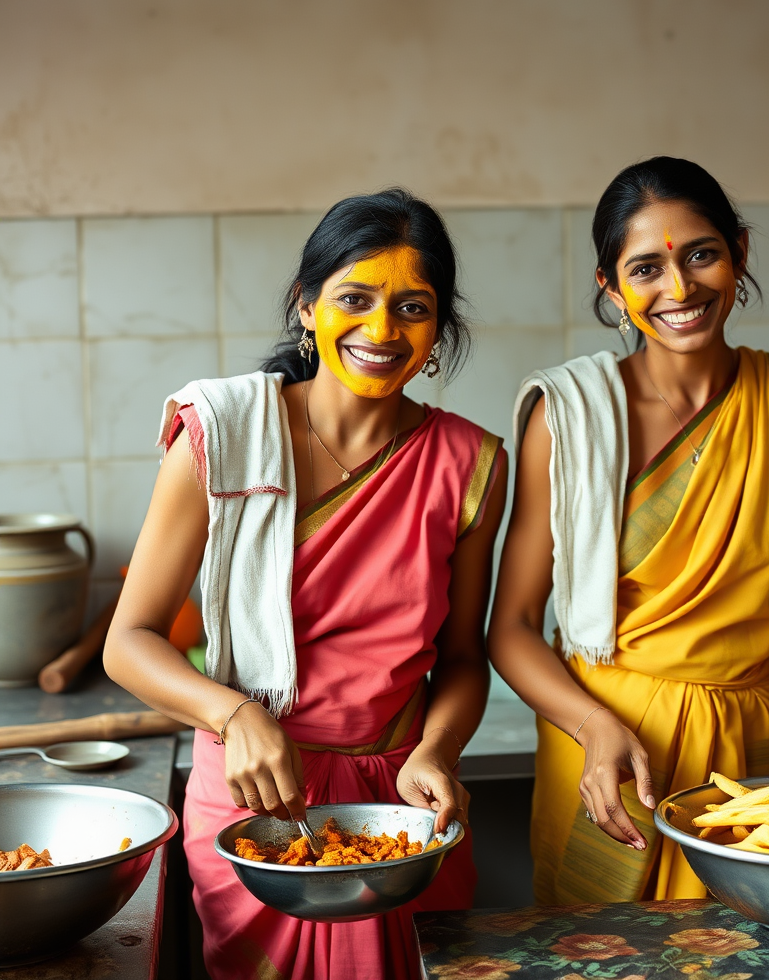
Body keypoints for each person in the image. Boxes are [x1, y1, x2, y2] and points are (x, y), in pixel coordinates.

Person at [104, 188, 507, 979]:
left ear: (437, 332)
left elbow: (462, 659)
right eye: (354, 299)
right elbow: (130, 640)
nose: (382, 330)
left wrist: (438, 753)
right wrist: (234, 712)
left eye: (412, 308)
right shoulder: (219, 436)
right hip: (256, 804)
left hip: (404, 813)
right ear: (307, 306)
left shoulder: (470, 464)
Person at [487, 156, 769, 905]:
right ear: (612, 286)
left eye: (702, 254)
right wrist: (592, 726)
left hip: (756, 749)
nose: (680, 289)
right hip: (606, 749)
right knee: (605, 952)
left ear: (739, 252)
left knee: (744, 948)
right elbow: (511, 627)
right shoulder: (568, 418)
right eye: (646, 270)